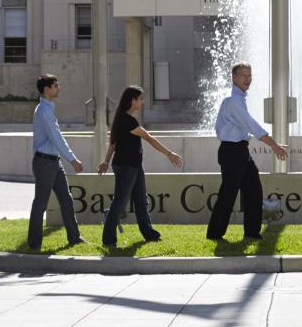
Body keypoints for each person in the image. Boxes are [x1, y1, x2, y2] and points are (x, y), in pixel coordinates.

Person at [206, 63, 288, 240]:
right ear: (234, 78)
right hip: (232, 151)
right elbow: (252, 125)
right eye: (243, 76)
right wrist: (274, 145)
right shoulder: (233, 100)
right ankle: (215, 234)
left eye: (249, 76)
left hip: (239, 150)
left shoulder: (238, 98)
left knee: (253, 189)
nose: (248, 80)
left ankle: (251, 232)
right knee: (229, 193)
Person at [98, 86, 184, 247]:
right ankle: (108, 240)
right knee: (119, 202)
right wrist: (169, 154)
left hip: (134, 165)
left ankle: (149, 233)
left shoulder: (123, 118)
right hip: (125, 166)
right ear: (133, 101)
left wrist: (106, 161)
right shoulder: (126, 120)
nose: (143, 102)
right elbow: (148, 138)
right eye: (141, 99)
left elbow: (113, 143)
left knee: (141, 201)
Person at [27, 74, 85, 249]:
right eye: (56, 85)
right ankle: (34, 243)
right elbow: (56, 137)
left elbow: (55, 138)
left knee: (66, 200)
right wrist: (72, 159)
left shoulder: (48, 108)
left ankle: (74, 238)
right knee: (41, 203)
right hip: (45, 163)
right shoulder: (44, 110)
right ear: (47, 89)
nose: (59, 88)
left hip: (53, 162)